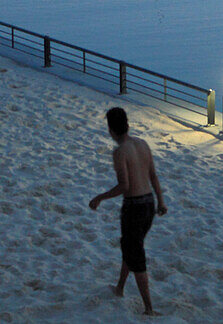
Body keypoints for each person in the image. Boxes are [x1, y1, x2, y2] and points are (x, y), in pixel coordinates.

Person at [89, 107, 167, 316]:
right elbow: (153, 176)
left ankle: (149, 308)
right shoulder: (142, 144)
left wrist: (99, 198)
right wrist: (161, 201)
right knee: (131, 246)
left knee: (135, 253)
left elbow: (124, 186)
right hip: (149, 204)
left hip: (134, 207)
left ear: (110, 130)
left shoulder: (119, 152)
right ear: (127, 125)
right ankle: (120, 288)